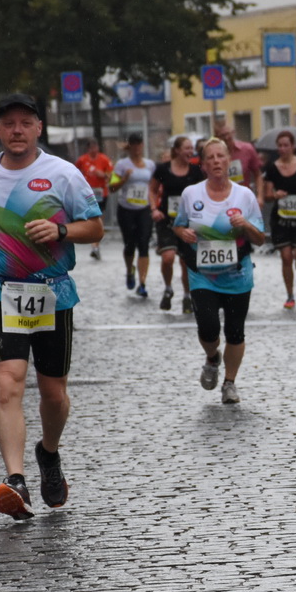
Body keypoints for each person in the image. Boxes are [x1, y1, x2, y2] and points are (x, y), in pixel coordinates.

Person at [0, 93, 104, 521]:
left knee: (54, 394)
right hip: (0, 292)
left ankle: (48, 453)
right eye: (8, 123)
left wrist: (61, 229)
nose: (16, 130)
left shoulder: (63, 174)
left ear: (39, 128)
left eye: (25, 122)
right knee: (9, 384)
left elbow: (95, 228)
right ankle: (15, 478)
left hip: (51, 291)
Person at [174, 136, 266, 402]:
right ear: (202, 165)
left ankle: (229, 383)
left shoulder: (244, 195)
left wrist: (246, 225)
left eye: (220, 156)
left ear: (229, 162)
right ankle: (212, 357)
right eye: (210, 157)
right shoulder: (191, 194)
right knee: (208, 328)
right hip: (203, 275)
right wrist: (185, 233)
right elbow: (178, 225)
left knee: (235, 331)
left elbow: (260, 238)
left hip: (238, 273)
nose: (216, 161)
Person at [260, 130, 296, 309]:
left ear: (293, 146)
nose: (283, 148)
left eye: (286, 145)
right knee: (286, 257)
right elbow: (267, 194)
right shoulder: (272, 168)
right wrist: (275, 194)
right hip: (281, 219)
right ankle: (290, 295)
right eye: (280, 146)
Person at [150, 135, 203, 313]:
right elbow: (152, 189)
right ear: (177, 150)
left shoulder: (196, 171)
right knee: (168, 257)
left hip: (188, 223)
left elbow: (203, 193)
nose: (190, 151)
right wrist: (153, 209)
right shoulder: (163, 169)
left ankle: (187, 296)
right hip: (167, 221)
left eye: (192, 148)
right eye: (187, 148)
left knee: (186, 262)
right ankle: (168, 288)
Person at [111, 132, 156, 296]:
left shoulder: (150, 165)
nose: (137, 147)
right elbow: (112, 187)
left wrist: (154, 204)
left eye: (139, 144)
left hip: (144, 209)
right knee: (130, 245)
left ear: (142, 145)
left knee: (144, 245)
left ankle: (142, 283)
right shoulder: (122, 165)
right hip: (126, 210)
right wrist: (124, 179)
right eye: (134, 144)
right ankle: (130, 270)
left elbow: (153, 186)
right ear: (130, 146)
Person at [75, 138, 113, 260]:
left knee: (98, 218)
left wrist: (102, 175)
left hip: (101, 193)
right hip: (87, 193)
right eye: (91, 147)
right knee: (89, 218)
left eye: (95, 147)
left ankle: (95, 246)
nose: (93, 150)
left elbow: (112, 176)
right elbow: (74, 173)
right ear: (88, 149)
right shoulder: (82, 160)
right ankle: (93, 245)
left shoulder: (104, 159)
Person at [212, 118, 262, 195]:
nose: (226, 138)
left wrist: (260, 197)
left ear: (233, 132)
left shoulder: (247, 149)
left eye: (227, 134)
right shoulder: (213, 153)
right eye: (222, 135)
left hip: (243, 196)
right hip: (221, 196)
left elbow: (258, 174)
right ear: (217, 137)